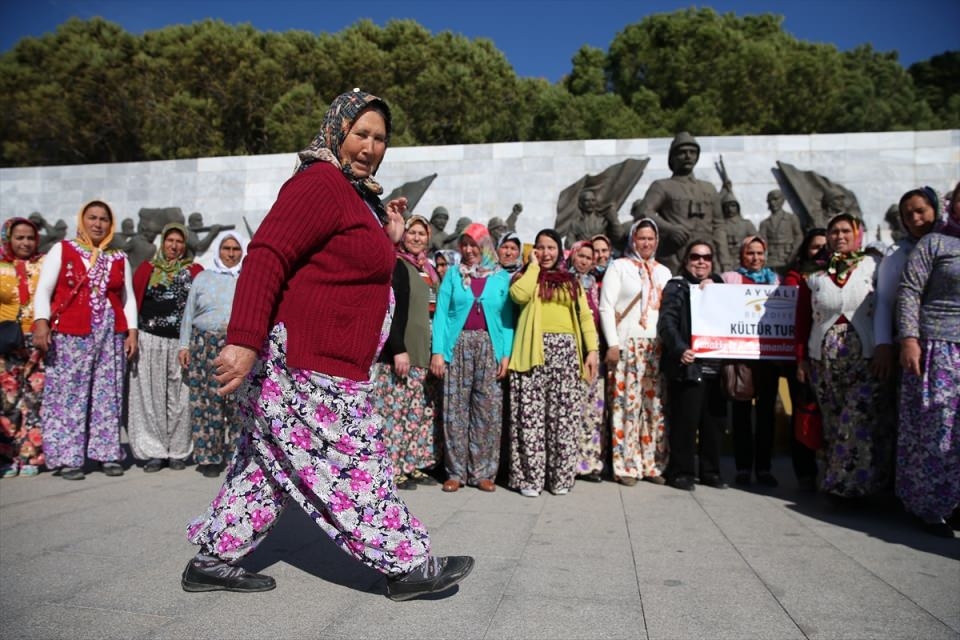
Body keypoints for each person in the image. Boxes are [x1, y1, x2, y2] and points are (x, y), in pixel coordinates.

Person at [183, 90, 473, 599]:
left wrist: (392, 236)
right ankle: (407, 565)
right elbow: (267, 254)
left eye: (380, 138)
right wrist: (245, 339)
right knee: (356, 461)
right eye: (361, 133)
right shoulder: (318, 182)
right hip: (306, 361)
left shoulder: (354, 194)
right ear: (337, 130)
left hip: (328, 361)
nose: (370, 146)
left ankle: (213, 558)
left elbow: (350, 268)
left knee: (267, 465)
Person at [33, 200, 138, 480]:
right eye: (92, 217)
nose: (98, 223)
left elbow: (127, 298)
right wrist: (41, 322)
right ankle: (68, 458)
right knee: (68, 394)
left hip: (110, 333)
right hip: (71, 333)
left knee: (108, 393)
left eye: (104, 219)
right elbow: (44, 289)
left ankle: (107, 454)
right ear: (82, 220)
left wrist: (132, 331)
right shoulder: (62, 249)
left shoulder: (118, 257)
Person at [795, 213, 893, 501]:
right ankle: (835, 479)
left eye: (844, 231)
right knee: (834, 419)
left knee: (858, 418)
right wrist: (801, 359)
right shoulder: (815, 275)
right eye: (834, 232)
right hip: (824, 361)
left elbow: (887, 304)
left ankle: (854, 486)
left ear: (856, 233)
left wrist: (886, 346)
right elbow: (803, 321)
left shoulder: (873, 266)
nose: (839, 236)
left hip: (865, 357)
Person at [507, 229, 599, 497]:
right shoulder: (525, 276)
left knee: (564, 419)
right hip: (532, 353)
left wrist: (591, 350)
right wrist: (533, 267)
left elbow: (585, 318)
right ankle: (531, 479)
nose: (546, 253)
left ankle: (560, 478)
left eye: (551, 248)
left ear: (560, 251)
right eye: (540, 248)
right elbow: (518, 296)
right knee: (531, 417)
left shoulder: (571, 281)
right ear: (534, 250)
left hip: (567, 354)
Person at [895, 183, 960, 538]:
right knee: (938, 427)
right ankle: (932, 506)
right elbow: (909, 291)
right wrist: (909, 339)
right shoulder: (934, 244)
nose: (916, 218)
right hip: (939, 346)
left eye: (922, 210)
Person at [430, 223, 514, 493]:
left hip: (489, 347)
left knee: (487, 411)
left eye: (473, 244)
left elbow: (507, 319)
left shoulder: (501, 277)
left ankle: (483, 472)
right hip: (459, 345)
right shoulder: (454, 275)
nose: (468, 250)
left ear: (485, 246)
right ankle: (456, 472)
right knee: (455, 409)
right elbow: (442, 315)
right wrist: (438, 352)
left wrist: (506, 354)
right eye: (464, 244)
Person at [599, 219, 672, 486]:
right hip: (627, 344)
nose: (646, 243)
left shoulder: (664, 272)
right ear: (633, 240)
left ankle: (652, 463)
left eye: (651, 238)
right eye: (641, 238)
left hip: (655, 347)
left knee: (654, 408)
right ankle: (626, 465)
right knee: (625, 406)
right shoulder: (619, 267)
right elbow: (606, 306)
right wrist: (613, 343)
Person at [372, 215, 441, 490]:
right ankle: (394, 466)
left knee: (418, 414)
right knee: (395, 414)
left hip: (423, 353)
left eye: (421, 234)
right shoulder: (398, 265)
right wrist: (397, 347)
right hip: (401, 354)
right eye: (411, 232)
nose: (416, 238)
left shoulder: (430, 270)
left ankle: (412, 465)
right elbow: (390, 310)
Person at [130, 223, 203, 472]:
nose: (174, 245)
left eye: (179, 241)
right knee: (151, 397)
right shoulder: (147, 270)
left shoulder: (195, 271)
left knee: (180, 397)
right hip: (149, 340)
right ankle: (155, 452)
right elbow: (133, 301)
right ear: (163, 243)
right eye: (170, 240)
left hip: (182, 343)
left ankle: (178, 451)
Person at [658, 239, 727, 491]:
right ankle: (681, 472)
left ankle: (711, 471)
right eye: (696, 257)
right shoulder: (677, 286)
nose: (701, 261)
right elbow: (667, 323)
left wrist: (715, 288)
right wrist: (680, 349)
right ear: (686, 261)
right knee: (685, 423)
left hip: (717, 367)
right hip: (689, 365)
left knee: (714, 423)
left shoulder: (719, 286)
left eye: (706, 257)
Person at [177, 232, 247, 478]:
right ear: (218, 250)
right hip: (203, 344)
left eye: (235, 249)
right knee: (206, 401)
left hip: (237, 346)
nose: (230, 253)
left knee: (237, 401)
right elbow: (188, 313)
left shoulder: (247, 278)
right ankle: (209, 457)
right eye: (226, 248)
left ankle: (237, 453)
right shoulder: (203, 278)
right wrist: (183, 345)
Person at [721, 236, 781, 487]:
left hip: (768, 357)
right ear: (742, 255)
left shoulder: (775, 281)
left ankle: (764, 468)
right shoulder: (730, 279)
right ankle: (743, 467)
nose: (755, 258)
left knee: (767, 414)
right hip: (742, 358)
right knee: (742, 414)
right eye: (750, 253)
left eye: (759, 253)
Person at [631, 132, 730, 274]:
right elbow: (643, 212)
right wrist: (670, 229)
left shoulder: (709, 188)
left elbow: (719, 226)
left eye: (692, 152)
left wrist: (725, 261)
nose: (688, 156)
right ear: (673, 157)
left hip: (706, 258)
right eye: (682, 152)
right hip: (675, 258)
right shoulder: (662, 186)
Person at [872, 187, 941, 382]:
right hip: (914, 344)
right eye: (908, 215)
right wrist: (883, 344)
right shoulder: (898, 253)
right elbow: (884, 300)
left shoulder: (952, 245)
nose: (915, 219)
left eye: (921, 211)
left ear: (935, 209)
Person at [782, 228, 827, 491]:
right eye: (814, 247)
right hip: (802, 355)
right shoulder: (795, 278)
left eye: (825, 246)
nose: (820, 251)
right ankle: (805, 471)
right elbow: (795, 317)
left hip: (836, 357)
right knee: (804, 413)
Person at [0, 218, 45, 478]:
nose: (25, 243)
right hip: (6, 341)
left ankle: (30, 456)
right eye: (19, 238)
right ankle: (7, 457)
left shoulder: (43, 264)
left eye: (30, 238)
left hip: (36, 340)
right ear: (9, 238)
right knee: (8, 402)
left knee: (33, 400)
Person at [567, 240, 605, 482]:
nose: (584, 261)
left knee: (593, 410)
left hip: (593, 351)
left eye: (588, 257)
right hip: (570, 351)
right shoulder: (563, 280)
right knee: (570, 408)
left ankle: (589, 462)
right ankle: (568, 461)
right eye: (580, 255)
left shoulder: (597, 285)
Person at [758, 189, 804, 274]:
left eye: (775, 199)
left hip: (788, 257)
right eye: (770, 200)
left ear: (782, 200)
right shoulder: (764, 223)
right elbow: (762, 242)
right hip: (772, 259)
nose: (773, 203)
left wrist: (793, 254)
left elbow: (799, 237)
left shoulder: (791, 218)